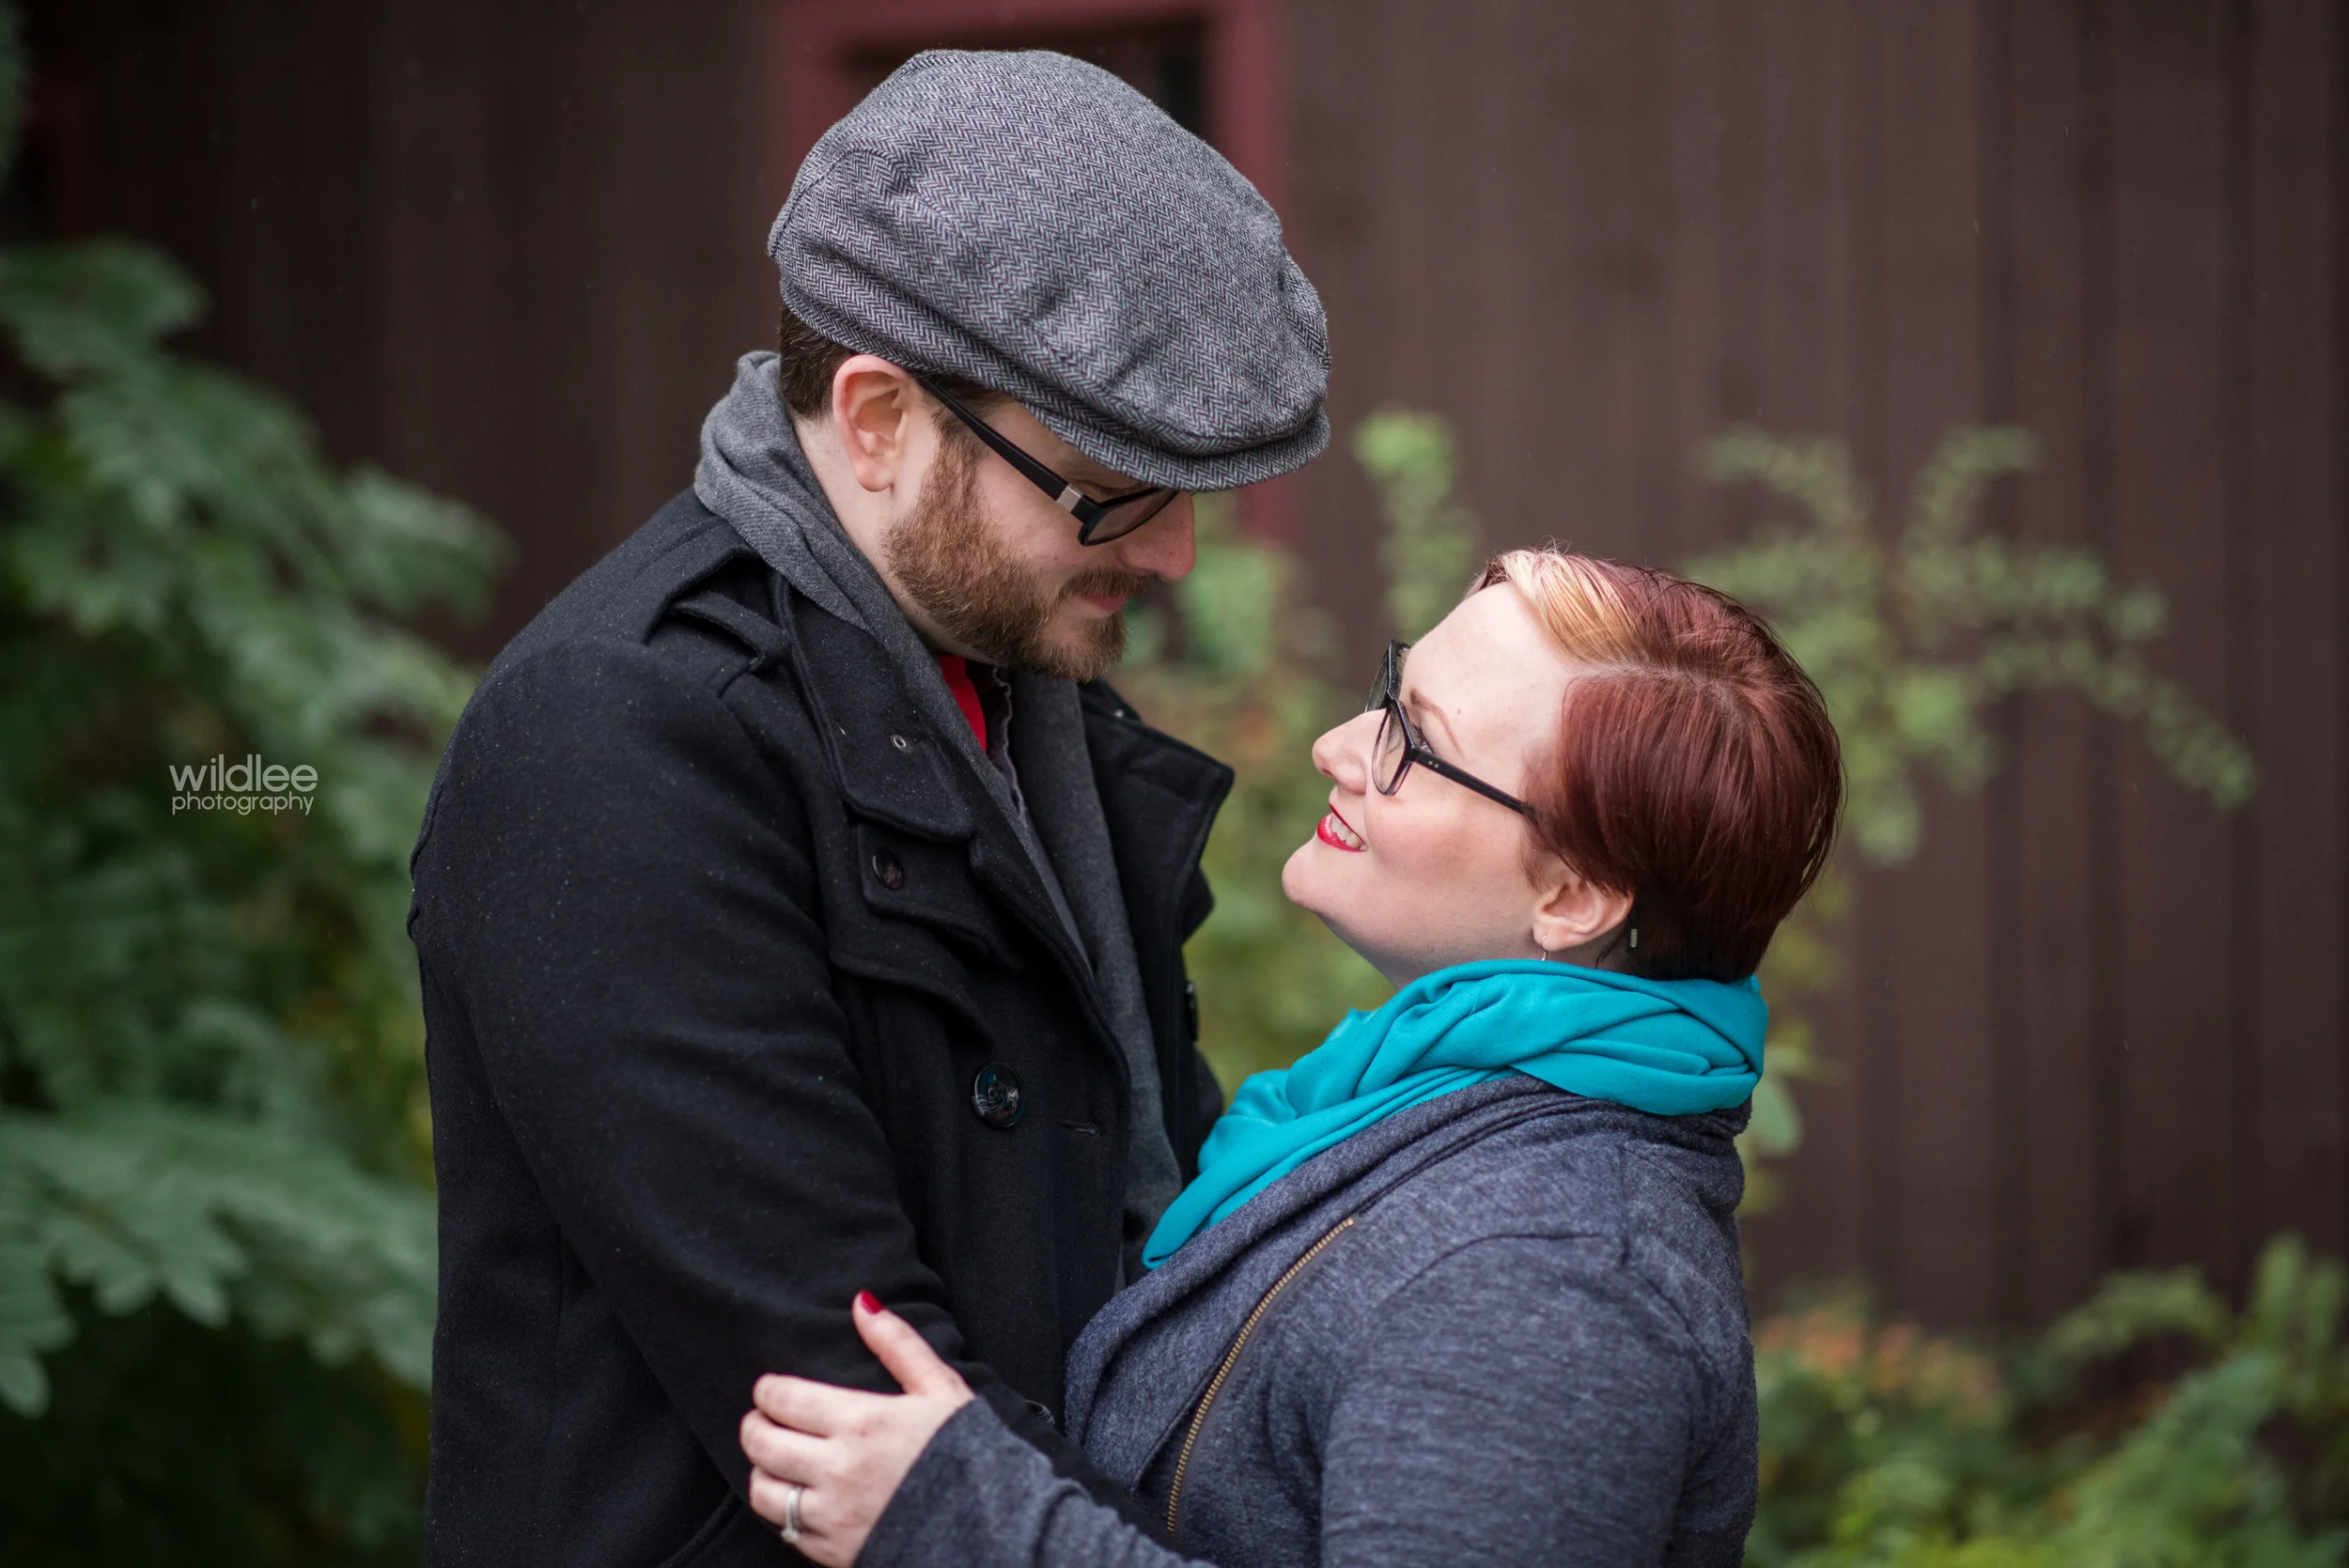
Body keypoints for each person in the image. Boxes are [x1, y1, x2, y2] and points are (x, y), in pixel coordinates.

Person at [406, 50, 1329, 1567]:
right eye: (1113, 493)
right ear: (881, 415)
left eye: (1192, 497)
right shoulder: (618, 736)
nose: (1172, 562)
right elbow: (835, 1376)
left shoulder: (1012, 682)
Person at [736, 549, 1845, 1567]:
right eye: (1387, 694)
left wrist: (969, 1523)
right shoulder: (1431, 1105)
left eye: (1415, 743)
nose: (1338, 747)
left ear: (1572, 896)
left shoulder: (1543, 1278)